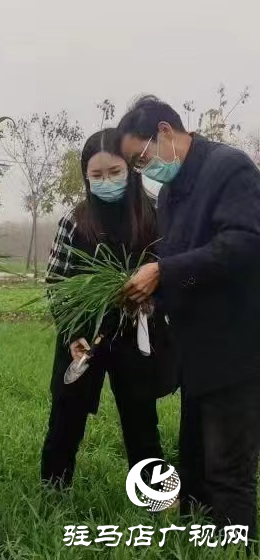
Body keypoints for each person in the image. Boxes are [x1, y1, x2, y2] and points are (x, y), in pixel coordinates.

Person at [118, 96, 260, 540]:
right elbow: (180, 259)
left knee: (228, 470)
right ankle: (195, 543)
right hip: (196, 352)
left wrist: (164, 271)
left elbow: (245, 242)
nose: (143, 170)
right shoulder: (172, 192)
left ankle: (235, 545)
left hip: (235, 349)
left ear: (165, 132)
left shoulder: (230, 169)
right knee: (195, 465)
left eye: (141, 157)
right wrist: (154, 296)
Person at [40, 128, 178, 488]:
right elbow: (57, 283)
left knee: (141, 420)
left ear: (131, 169)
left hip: (136, 333)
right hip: (84, 337)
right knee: (67, 416)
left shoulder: (154, 216)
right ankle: (52, 492)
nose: (106, 181)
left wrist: (149, 298)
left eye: (114, 172)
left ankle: (157, 497)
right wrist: (72, 333)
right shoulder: (76, 220)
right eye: (96, 175)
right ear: (86, 177)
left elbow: (173, 273)